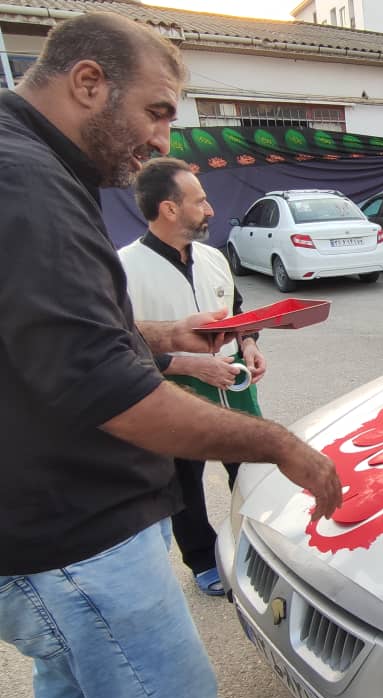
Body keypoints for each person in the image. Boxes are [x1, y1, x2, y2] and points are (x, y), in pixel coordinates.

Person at [0, 12, 342, 698]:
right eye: (157, 112)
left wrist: (163, 335)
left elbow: (47, 329)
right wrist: (279, 444)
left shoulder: (28, 166)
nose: (163, 140)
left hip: (42, 541)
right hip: (76, 543)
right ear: (89, 83)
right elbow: (108, 389)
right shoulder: (25, 182)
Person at [120, 157, 265, 597]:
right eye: (200, 201)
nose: (211, 210)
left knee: (252, 470)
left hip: (233, 383)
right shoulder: (122, 268)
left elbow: (238, 311)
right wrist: (187, 363)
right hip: (171, 388)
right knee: (183, 482)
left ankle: (256, 549)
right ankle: (202, 559)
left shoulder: (213, 256)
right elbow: (118, 344)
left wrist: (250, 344)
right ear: (169, 209)